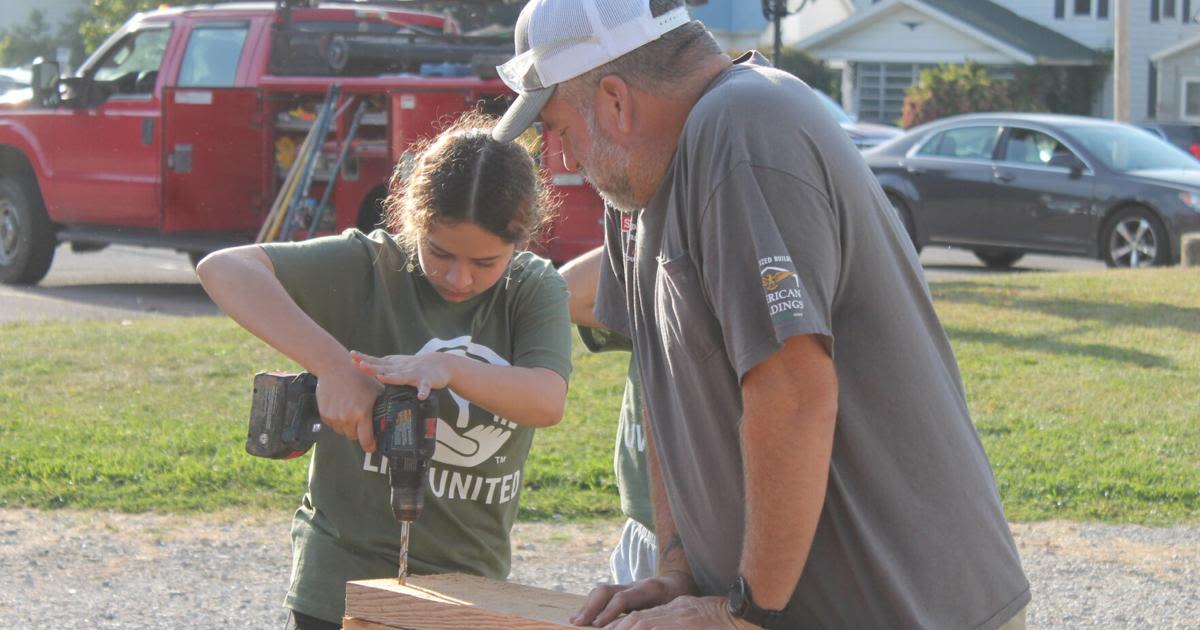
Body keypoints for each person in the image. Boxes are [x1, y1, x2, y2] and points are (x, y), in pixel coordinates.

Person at [492, 1, 1030, 629]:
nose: (562, 159)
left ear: (616, 101)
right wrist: (678, 570)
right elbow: (661, 384)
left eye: (558, 128)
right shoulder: (638, 187)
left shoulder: (744, 126)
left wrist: (741, 614)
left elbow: (794, 390)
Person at [196, 113, 573, 630]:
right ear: (413, 217)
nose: (459, 277)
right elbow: (224, 268)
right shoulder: (372, 266)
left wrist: (445, 368)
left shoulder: (531, 288)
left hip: (467, 584)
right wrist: (334, 368)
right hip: (340, 583)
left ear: (522, 241)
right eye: (440, 253)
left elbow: (546, 400)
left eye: (485, 263)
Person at [560, 247, 657, 585]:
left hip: (719, 540)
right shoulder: (661, 278)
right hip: (647, 527)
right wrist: (657, 227)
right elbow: (568, 292)